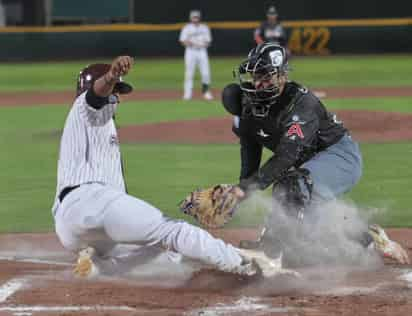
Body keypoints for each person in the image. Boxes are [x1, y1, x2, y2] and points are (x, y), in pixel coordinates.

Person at [51, 55, 289, 279]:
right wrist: (111, 76)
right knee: (174, 231)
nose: (117, 98)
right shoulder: (85, 108)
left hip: (72, 226)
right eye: (115, 91)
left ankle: (99, 267)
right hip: (93, 200)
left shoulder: (97, 127)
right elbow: (96, 95)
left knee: (162, 247)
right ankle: (245, 265)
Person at [221, 43, 410, 266]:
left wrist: (245, 189)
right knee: (309, 213)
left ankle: (273, 250)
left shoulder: (300, 104)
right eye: (255, 76)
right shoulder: (247, 109)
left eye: (265, 75)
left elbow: (287, 157)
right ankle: (371, 239)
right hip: (309, 165)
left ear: (282, 75)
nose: (258, 82)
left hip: (340, 156)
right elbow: (250, 159)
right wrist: (240, 191)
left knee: (291, 186)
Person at [179, 10, 213, 101]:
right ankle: (187, 94)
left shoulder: (204, 27)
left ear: (199, 18)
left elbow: (208, 41)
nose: (195, 19)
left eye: (197, 17)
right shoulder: (187, 28)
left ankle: (206, 92)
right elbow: (182, 40)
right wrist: (190, 43)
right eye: (194, 17)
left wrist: (202, 45)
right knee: (189, 73)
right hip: (190, 51)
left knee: (206, 73)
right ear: (191, 18)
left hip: (202, 51)